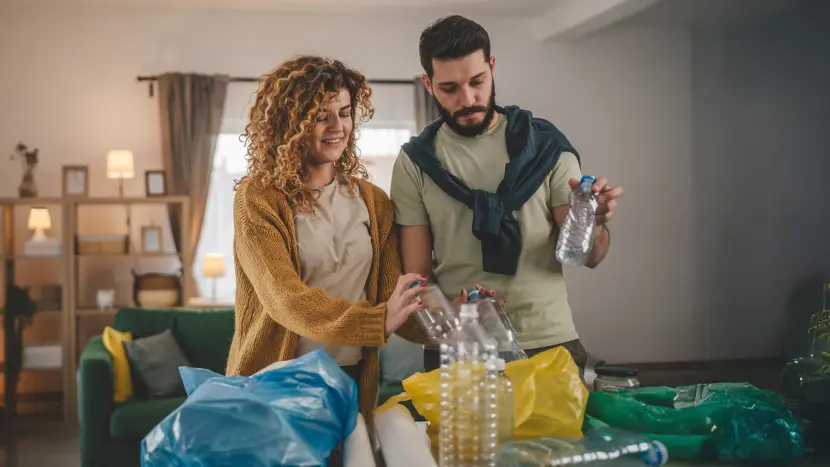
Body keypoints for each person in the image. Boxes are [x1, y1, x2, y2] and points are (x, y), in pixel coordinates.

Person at [390, 15, 624, 372]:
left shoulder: (545, 147)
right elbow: (417, 278)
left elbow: (588, 256)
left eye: (477, 81)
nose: (467, 98)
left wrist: (593, 220)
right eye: (449, 88)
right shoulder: (415, 161)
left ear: (492, 67)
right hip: (459, 346)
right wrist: (447, 312)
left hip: (548, 341)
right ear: (428, 84)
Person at [226, 55, 432, 422]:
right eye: (321, 116)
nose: (338, 126)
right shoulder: (257, 198)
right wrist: (376, 322)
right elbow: (285, 300)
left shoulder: (373, 202)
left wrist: (454, 318)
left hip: (350, 381)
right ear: (289, 124)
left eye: (345, 112)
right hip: (275, 384)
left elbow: (390, 301)